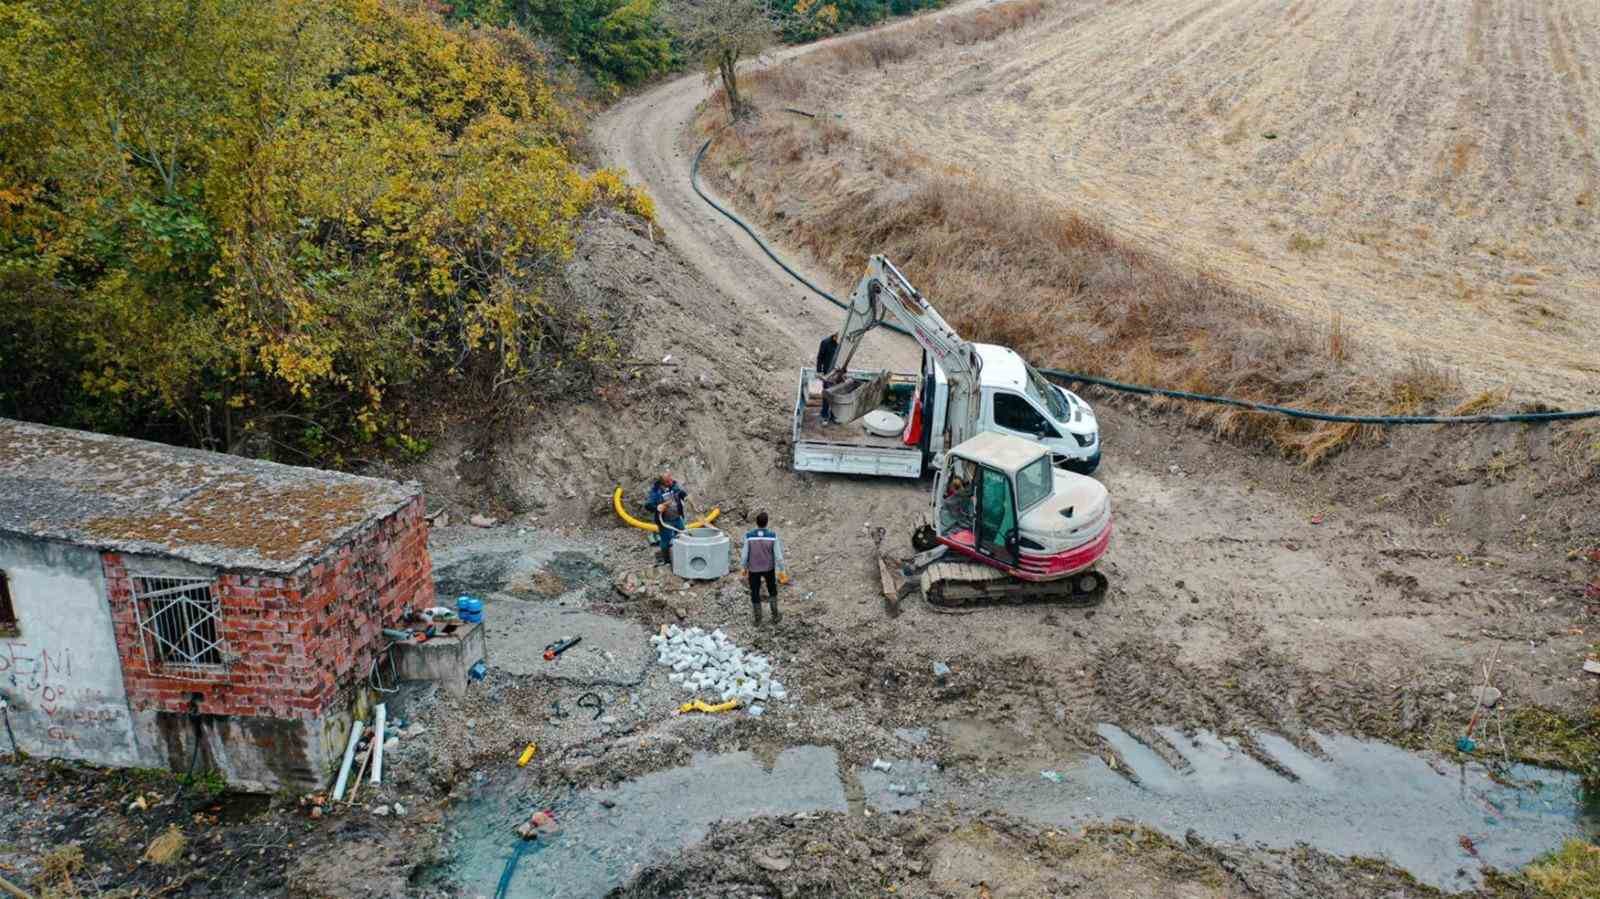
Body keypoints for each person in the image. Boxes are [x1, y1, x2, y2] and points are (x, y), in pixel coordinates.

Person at [739, 511, 786, 625]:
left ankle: (758, 619)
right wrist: (782, 570)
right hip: (769, 568)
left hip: (753, 569)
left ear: (756, 522)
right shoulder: (772, 536)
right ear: (767, 522)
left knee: (755, 592)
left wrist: (744, 567)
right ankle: (775, 615)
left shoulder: (749, 536)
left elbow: (745, 555)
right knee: (772, 590)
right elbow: (778, 556)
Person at [648, 470, 688, 565]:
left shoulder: (673, 485)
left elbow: (681, 494)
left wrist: (683, 495)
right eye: (668, 482)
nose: (671, 482)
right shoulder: (655, 491)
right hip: (665, 521)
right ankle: (667, 560)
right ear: (662, 482)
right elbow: (648, 505)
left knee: (684, 536)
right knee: (665, 541)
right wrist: (658, 507)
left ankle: (683, 556)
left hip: (677, 518)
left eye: (671, 480)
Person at [816, 333, 839, 424]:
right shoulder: (825, 343)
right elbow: (820, 357)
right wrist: (819, 371)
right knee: (827, 394)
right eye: (838, 338)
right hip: (827, 373)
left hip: (838, 373)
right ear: (835, 336)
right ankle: (824, 415)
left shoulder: (841, 344)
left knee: (837, 393)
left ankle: (834, 415)